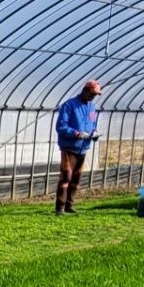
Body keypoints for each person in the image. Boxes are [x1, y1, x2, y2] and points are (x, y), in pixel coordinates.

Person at [54, 79, 103, 216]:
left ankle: (69, 204)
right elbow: (61, 127)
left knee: (76, 179)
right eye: (92, 94)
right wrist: (76, 134)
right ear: (85, 90)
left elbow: (92, 124)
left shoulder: (91, 107)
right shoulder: (69, 106)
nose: (93, 97)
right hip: (70, 147)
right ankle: (60, 207)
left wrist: (94, 133)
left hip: (83, 148)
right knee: (66, 177)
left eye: (95, 95)